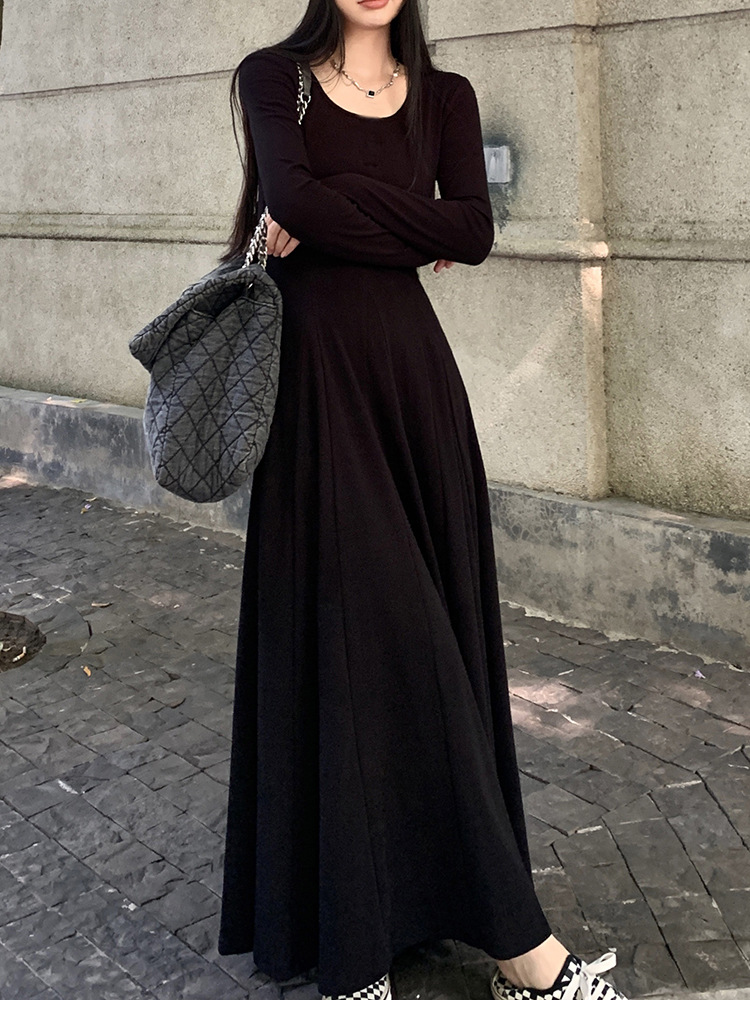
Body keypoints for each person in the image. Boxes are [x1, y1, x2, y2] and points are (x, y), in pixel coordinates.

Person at [215, 0, 626, 1003]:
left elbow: (472, 230)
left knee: (426, 628)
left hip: (413, 390)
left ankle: (415, 919)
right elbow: (295, 203)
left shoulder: (445, 97)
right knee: (376, 630)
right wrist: (398, 219)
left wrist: (336, 205)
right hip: (316, 390)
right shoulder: (273, 77)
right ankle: (494, 954)